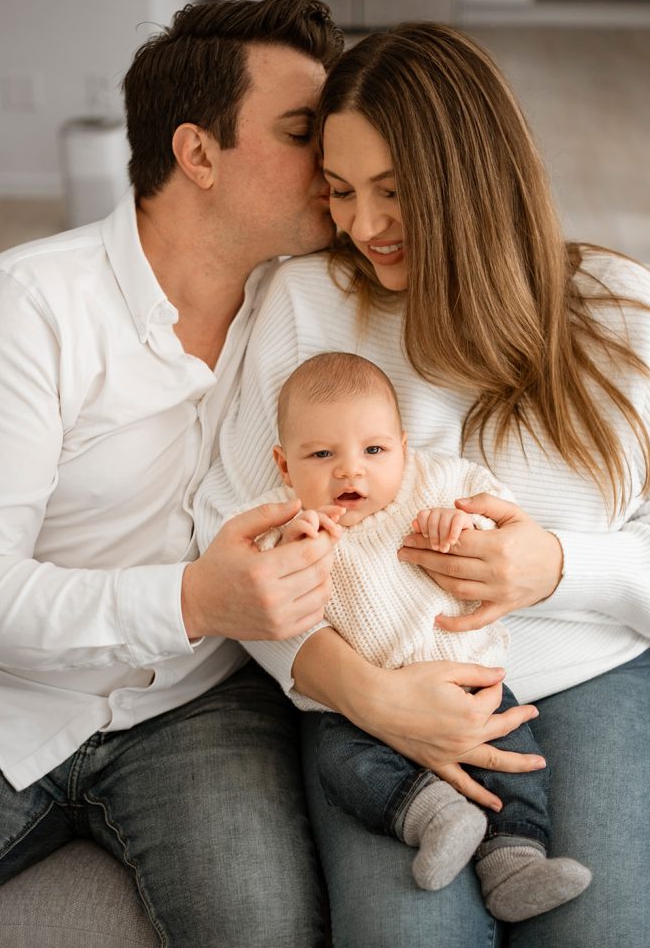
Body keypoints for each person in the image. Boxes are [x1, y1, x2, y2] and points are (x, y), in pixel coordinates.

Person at [196, 22, 650, 946]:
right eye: (341, 190)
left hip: (581, 673)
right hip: (374, 691)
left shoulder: (618, 311)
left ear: (471, 179)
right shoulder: (306, 302)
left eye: (394, 190)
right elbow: (232, 527)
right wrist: (358, 690)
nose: (363, 226)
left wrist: (557, 567)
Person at [0, 0, 348, 947]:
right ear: (197, 154)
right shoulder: (27, 304)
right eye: (301, 131)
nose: (333, 160)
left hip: (197, 706)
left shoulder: (306, 305)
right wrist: (193, 600)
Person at [243, 350, 592, 922]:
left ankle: (516, 862)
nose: (350, 472)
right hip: (361, 708)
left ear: (404, 448)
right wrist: (291, 550)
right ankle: (436, 817)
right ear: (284, 465)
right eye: (322, 455)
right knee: (342, 765)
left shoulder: (436, 486)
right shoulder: (288, 525)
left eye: (374, 451)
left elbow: (498, 519)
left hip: (467, 681)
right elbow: (261, 596)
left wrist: (464, 524)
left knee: (515, 760)